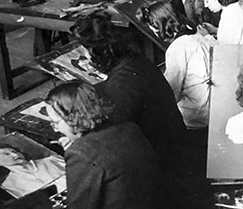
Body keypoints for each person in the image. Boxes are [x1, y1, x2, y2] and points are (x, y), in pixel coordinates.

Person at [70, 12, 187, 172]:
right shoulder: (134, 59)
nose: (83, 55)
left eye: (85, 50)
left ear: (97, 52)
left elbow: (114, 138)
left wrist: (79, 139)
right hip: (175, 142)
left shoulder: (121, 84)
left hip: (162, 159)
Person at [45, 81, 162, 209]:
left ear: (71, 118)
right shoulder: (130, 128)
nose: (55, 129)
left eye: (55, 123)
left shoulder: (80, 153)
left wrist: (78, 150)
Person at [136, 0, 214, 130]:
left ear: (158, 27)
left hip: (198, 115)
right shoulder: (197, 36)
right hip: (213, 104)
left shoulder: (178, 48)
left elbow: (171, 92)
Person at [0, 144, 66, 198]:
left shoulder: (52, 160)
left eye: (14, 151)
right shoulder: (9, 185)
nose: (15, 155)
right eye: (6, 154)